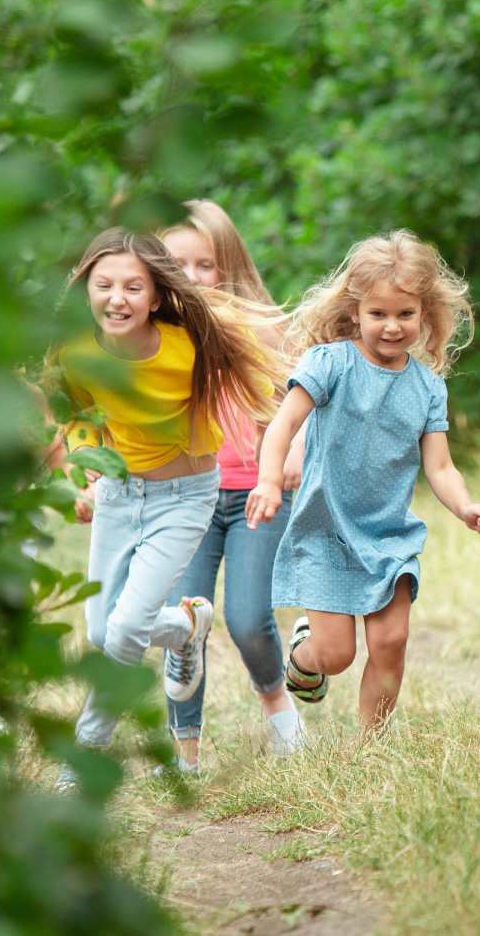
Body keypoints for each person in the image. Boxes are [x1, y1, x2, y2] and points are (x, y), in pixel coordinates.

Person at [45, 228, 279, 788]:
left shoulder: (187, 343)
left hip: (186, 498)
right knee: (104, 634)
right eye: (103, 285)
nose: (116, 297)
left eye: (133, 286)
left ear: (155, 296)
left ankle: (84, 754)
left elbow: (265, 372)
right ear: (86, 291)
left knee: (125, 628)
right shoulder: (77, 354)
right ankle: (184, 627)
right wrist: (86, 469)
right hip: (122, 498)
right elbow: (70, 415)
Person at [245, 230, 480, 736]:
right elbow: (284, 424)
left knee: (390, 643)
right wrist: (270, 481)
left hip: (388, 535)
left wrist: (465, 507)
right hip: (325, 530)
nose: (392, 326)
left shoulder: (428, 387)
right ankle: (305, 651)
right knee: (336, 656)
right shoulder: (330, 363)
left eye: (405, 313)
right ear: (355, 311)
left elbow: (440, 467)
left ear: (425, 313)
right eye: (378, 313)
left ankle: (370, 749)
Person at [156, 200, 305, 770]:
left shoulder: (262, 327)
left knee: (246, 618)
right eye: (176, 266)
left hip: (256, 494)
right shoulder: (156, 339)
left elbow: (303, 402)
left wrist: (293, 449)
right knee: (182, 622)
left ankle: (278, 708)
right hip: (187, 495)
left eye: (205, 266)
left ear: (229, 267)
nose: (190, 279)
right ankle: (185, 749)